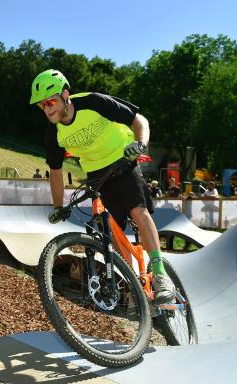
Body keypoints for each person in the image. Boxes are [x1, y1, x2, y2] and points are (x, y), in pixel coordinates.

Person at [29, 69, 175, 304]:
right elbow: (55, 172)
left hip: (123, 158)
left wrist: (140, 144)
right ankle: (136, 283)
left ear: (66, 95)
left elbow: (139, 119)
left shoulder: (93, 102)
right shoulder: (53, 133)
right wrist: (58, 206)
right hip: (97, 173)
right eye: (41, 105)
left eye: (51, 101)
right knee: (112, 229)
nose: (47, 109)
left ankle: (160, 275)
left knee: (138, 211)